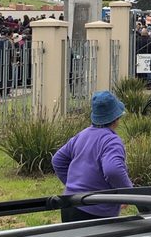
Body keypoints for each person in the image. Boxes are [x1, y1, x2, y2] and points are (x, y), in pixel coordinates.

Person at [51, 91, 132, 222]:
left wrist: (73, 185)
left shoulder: (82, 135)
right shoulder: (112, 141)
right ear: (116, 118)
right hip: (96, 210)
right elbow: (113, 170)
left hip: (69, 204)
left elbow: (58, 160)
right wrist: (128, 193)